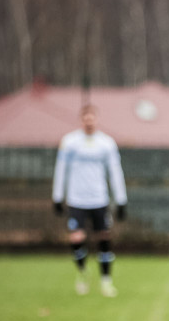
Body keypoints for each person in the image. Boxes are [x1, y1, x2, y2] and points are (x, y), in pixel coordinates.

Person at [52, 104, 127, 297]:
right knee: (77, 238)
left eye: (92, 118)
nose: (89, 122)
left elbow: (115, 172)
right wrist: (57, 197)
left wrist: (121, 199)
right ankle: (83, 272)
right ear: (81, 120)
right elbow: (61, 170)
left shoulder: (106, 143)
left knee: (104, 237)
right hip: (77, 200)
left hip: (99, 199)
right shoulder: (69, 142)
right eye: (86, 118)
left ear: (96, 119)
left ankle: (106, 281)